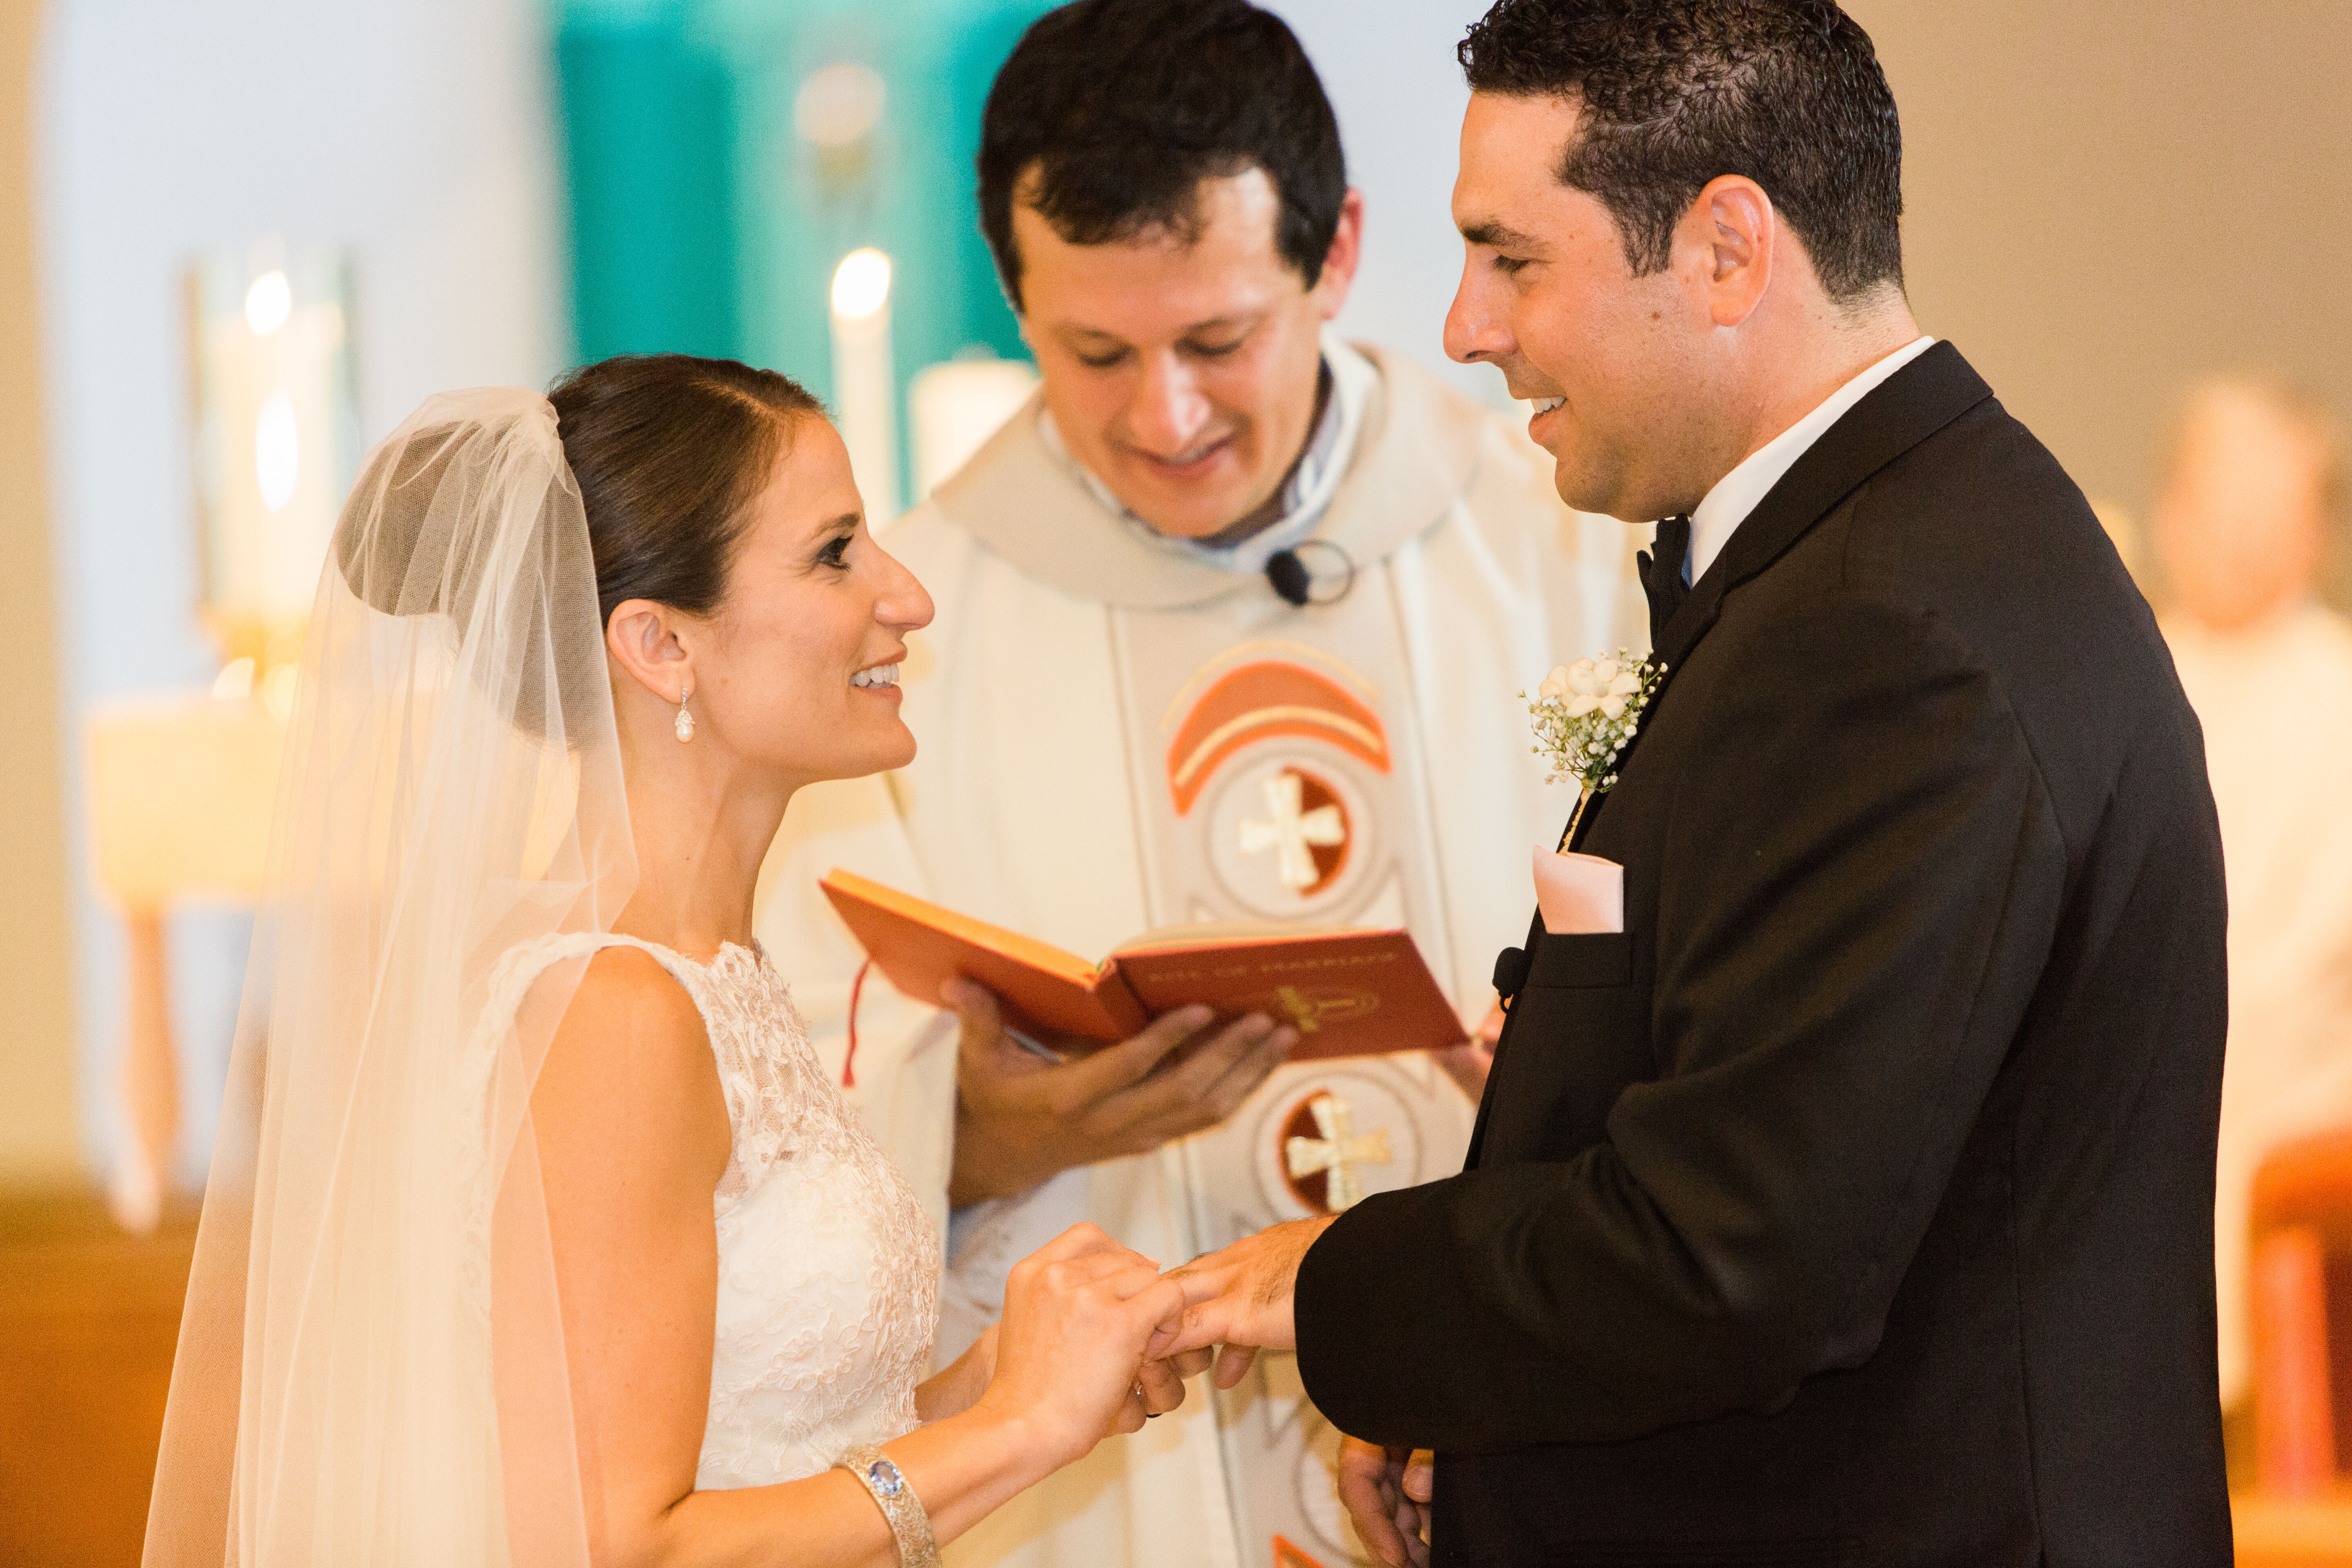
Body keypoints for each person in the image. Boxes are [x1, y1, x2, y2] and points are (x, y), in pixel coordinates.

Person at [1169, 3, 2233, 1564]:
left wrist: (1338, 1287)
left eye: (1514, 259)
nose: (1464, 326)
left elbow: (1738, 1257)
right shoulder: (1895, 549)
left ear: (1729, 252)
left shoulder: (1891, 632)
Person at [755, 1, 1641, 1561]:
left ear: (1341, 252)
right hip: (1121, 1508)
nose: (1165, 415)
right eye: (1096, 353)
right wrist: (990, 1131)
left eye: (1217, 341)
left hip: (1522, 1438)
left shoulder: (1558, 548)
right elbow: (790, 1137)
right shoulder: (900, 640)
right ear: (1017, 300)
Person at [143, 356, 1206, 1567]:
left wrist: (1012, 1376)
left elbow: (777, 1455)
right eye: (836, 553)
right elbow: (619, 1545)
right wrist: (1023, 1429)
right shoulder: (618, 1009)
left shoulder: (712, 974)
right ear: (659, 645)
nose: (906, 596)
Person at [2153, 376, 2352, 1431]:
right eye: (2217, 506)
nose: (2235, 538)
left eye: (2266, 511)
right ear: (2173, 512)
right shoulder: (2129, 676)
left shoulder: (2339, 697)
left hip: (2303, 1107)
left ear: (2315, 526)